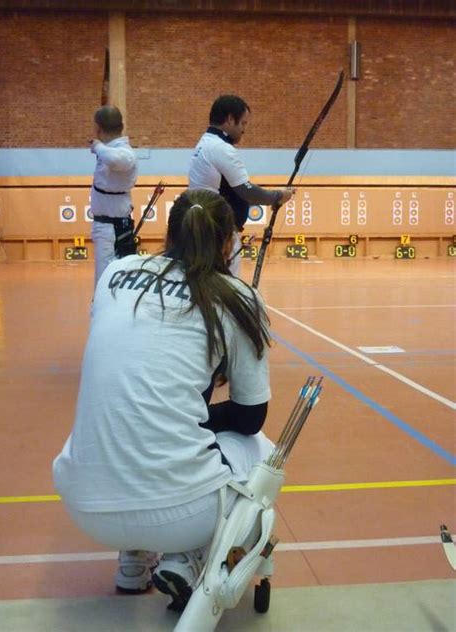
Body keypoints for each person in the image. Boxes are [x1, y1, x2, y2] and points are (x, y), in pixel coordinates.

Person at [53, 189, 274, 612]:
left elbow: (134, 363)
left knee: (131, 423)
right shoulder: (236, 297)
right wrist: (193, 415)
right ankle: (186, 558)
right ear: (228, 244)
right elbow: (250, 416)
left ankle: (134, 561)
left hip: (83, 500)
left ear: (169, 235)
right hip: (176, 513)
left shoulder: (116, 273)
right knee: (262, 451)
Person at [189, 94, 294, 276]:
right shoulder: (221, 148)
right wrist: (278, 196)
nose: (244, 130)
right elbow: (247, 192)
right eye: (243, 124)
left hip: (206, 229)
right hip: (220, 233)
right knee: (226, 286)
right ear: (230, 119)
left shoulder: (205, 144)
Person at [89, 105, 138, 287]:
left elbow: (119, 160)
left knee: (106, 281)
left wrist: (98, 147)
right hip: (106, 226)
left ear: (98, 128)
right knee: (107, 279)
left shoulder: (124, 152)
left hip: (113, 229)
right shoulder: (111, 149)